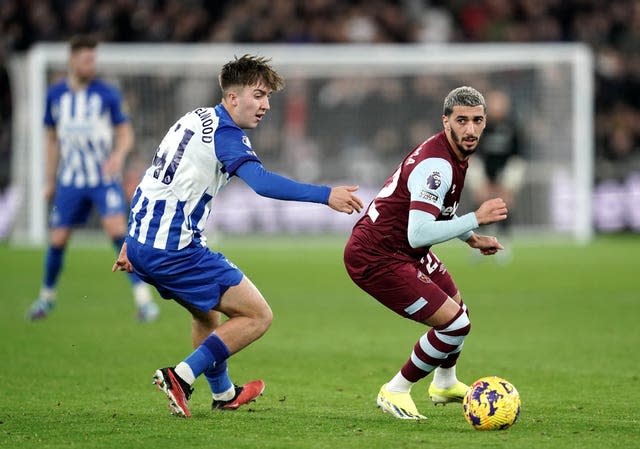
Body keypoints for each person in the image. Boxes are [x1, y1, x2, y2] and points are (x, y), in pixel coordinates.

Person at [112, 54, 363, 417]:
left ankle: (224, 393)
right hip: (175, 250)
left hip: (145, 243)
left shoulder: (193, 118)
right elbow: (260, 183)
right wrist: (326, 195)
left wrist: (132, 240)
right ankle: (180, 377)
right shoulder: (226, 135)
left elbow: (157, 178)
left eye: (268, 98)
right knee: (257, 315)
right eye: (258, 95)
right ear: (233, 98)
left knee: (206, 315)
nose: (265, 105)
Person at [343, 86, 508, 420]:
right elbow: (418, 232)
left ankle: (445, 382)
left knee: (460, 311)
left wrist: (471, 237)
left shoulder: (453, 155)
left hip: (405, 251)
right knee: (455, 324)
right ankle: (396, 388)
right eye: (462, 120)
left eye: (477, 120)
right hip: (376, 256)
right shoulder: (438, 166)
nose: (470, 129)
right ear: (445, 121)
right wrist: (476, 217)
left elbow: (441, 212)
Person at [27, 35, 159, 322]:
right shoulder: (56, 95)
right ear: (73, 60)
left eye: (93, 59)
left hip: (102, 177)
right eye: (86, 59)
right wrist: (49, 180)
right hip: (70, 179)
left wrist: (118, 155)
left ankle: (144, 301)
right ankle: (46, 298)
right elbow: (51, 140)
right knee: (58, 239)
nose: (90, 64)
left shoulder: (107, 94)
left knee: (117, 233)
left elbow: (125, 132)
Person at [466, 89, 525, 260]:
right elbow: (473, 152)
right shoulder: (479, 125)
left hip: (506, 169)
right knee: (481, 199)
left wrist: (504, 183)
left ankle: (503, 242)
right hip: (483, 168)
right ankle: (477, 242)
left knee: (504, 201)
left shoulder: (513, 126)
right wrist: (485, 181)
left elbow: (518, 155)